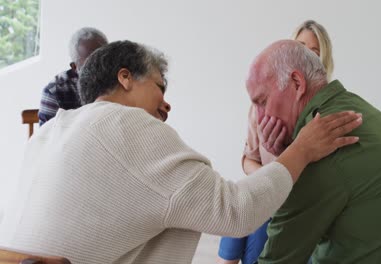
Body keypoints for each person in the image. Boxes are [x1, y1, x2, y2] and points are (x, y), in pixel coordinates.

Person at [8, 40, 362, 264]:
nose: (166, 105)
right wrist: (301, 149)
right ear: (126, 77)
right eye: (160, 88)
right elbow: (236, 211)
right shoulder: (126, 124)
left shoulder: (52, 130)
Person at [245, 40, 381, 264]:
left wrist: (292, 158)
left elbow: (276, 259)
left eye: (262, 101)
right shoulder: (358, 109)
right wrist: (286, 155)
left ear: (297, 83)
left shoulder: (320, 144)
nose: (258, 118)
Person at [218, 20, 334, 264]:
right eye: (300, 47)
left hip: (302, 203)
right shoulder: (261, 105)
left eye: (314, 52)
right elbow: (249, 160)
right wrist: (272, 180)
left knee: (264, 216)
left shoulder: (326, 111)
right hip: (270, 193)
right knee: (245, 201)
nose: (306, 55)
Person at [38, 27, 108, 126]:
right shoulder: (55, 91)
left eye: (104, 59)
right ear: (75, 66)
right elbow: (46, 138)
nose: (99, 67)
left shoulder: (121, 82)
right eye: (90, 64)